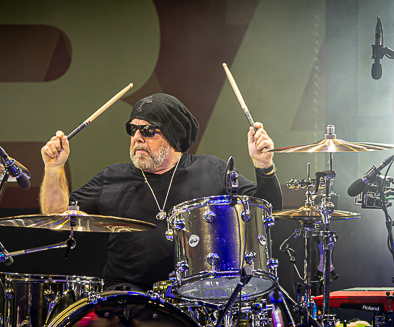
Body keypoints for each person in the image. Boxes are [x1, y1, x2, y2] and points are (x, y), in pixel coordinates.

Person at [40, 93, 282, 292]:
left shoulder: (211, 170)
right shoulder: (111, 177)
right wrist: (53, 168)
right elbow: (55, 215)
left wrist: (264, 166)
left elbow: (269, 209)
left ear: (172, 135)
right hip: (125, 298)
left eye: (147, 131)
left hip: (197, 296)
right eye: (132, 129)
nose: (137, 138)